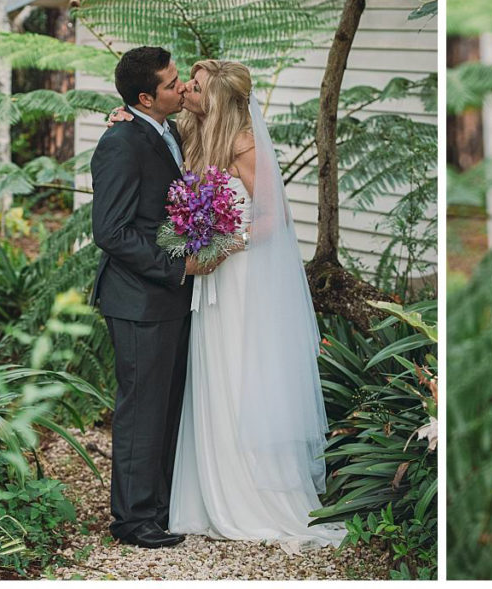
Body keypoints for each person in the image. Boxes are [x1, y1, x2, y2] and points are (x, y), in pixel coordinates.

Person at [110, 60, 343, 550]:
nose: (185, 92)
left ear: (212, 98)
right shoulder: (187, 135)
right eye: (179, 86)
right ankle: (196, 495)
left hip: (236, 279)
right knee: (208, 379)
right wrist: (125, 113)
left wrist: (221, 245)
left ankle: (250, 495)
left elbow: (273, 217)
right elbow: (150, 149)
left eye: (191, 87)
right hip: (200, 283)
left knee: (241, 376)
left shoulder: (241, 142)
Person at [91, 46, 221, 549]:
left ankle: (158, 505)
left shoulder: (165, 131)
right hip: (138, 299)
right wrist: (178, 265)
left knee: (164, 406)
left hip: (169, 298)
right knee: (141, 409)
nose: (181, 88)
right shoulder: (122, 141)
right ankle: (132, 520)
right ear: (146, 97)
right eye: (172, 84)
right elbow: (112, 231)